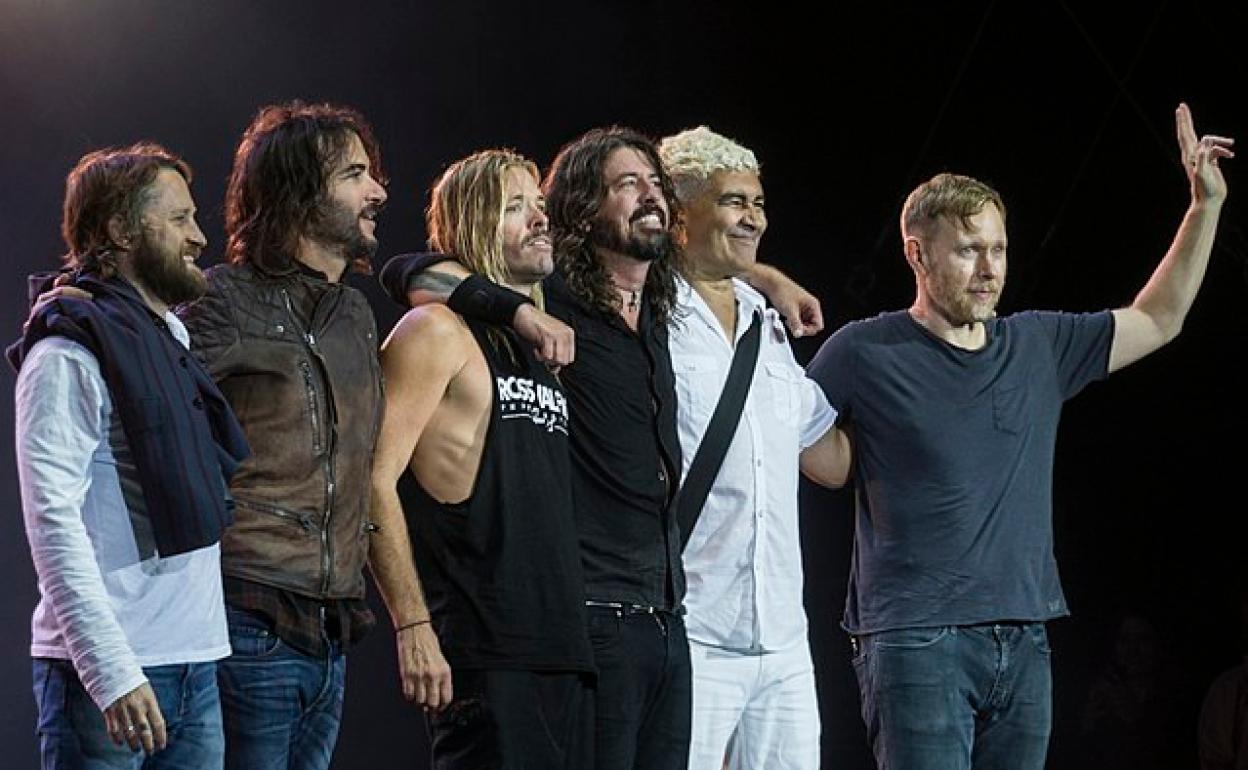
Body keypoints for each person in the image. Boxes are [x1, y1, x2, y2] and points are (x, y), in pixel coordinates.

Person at [805, 103, 1233, 769]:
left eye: (999, 248)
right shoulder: (863, 351)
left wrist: (1203, 208)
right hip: (917, 640)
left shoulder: (1038, 343)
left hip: (1024, 634)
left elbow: (1161, 317)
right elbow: (819, 462)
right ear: (917, 254)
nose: (989, 268)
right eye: (969, 249)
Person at [11, 143, 249, 768]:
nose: (200, 237)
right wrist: (111, 672)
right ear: (119, 230)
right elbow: (52, 521)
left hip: (194, 662)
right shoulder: (67, 351)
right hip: (111, 675)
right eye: (178, 220)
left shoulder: (168, 336)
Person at [175, 101, 394, 770]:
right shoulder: (222, 299)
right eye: (355, 174)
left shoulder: (354, 312)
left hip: (331, 630)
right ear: (300, 189)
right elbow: (142, 429)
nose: (378, 191)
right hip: (250, 616)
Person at [370, 149, 594, 767]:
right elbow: (369, 481)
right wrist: (412, 626)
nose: (539, 219)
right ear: (471, 223)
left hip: (564, 654)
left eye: (540, 205)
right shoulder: (435, 331)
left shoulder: (538, 349)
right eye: (515, 206)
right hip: (483, 655)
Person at [657, 126, 850, 770]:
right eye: (734, 201)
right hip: (692, 634)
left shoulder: (768, 323)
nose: (753, 218)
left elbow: (829, 460)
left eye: (759, 203)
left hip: (782, 644)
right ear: (679, 213)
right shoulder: (646, 313)